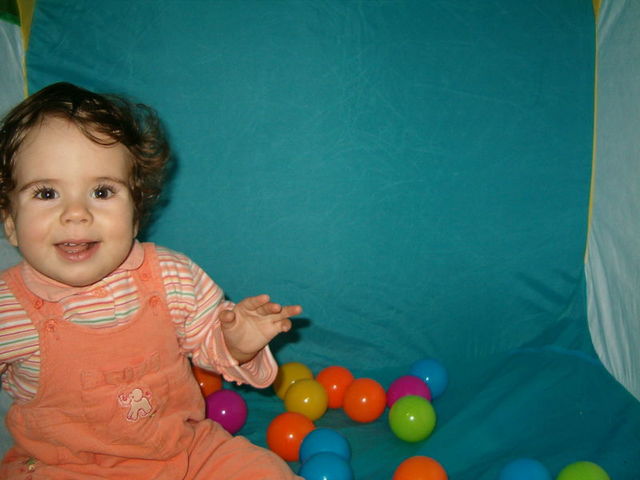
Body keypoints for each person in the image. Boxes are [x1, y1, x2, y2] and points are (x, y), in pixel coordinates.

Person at [0, 82, 303, 479]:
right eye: (46, 194)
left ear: (135, 213)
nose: (76, 213)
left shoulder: (170, 276)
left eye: (101, 191)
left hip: (184, 451)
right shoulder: (8, 308)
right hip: (66, 467)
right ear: (11, 222)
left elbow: (208, 337)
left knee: (264, 471)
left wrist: (237, 343)